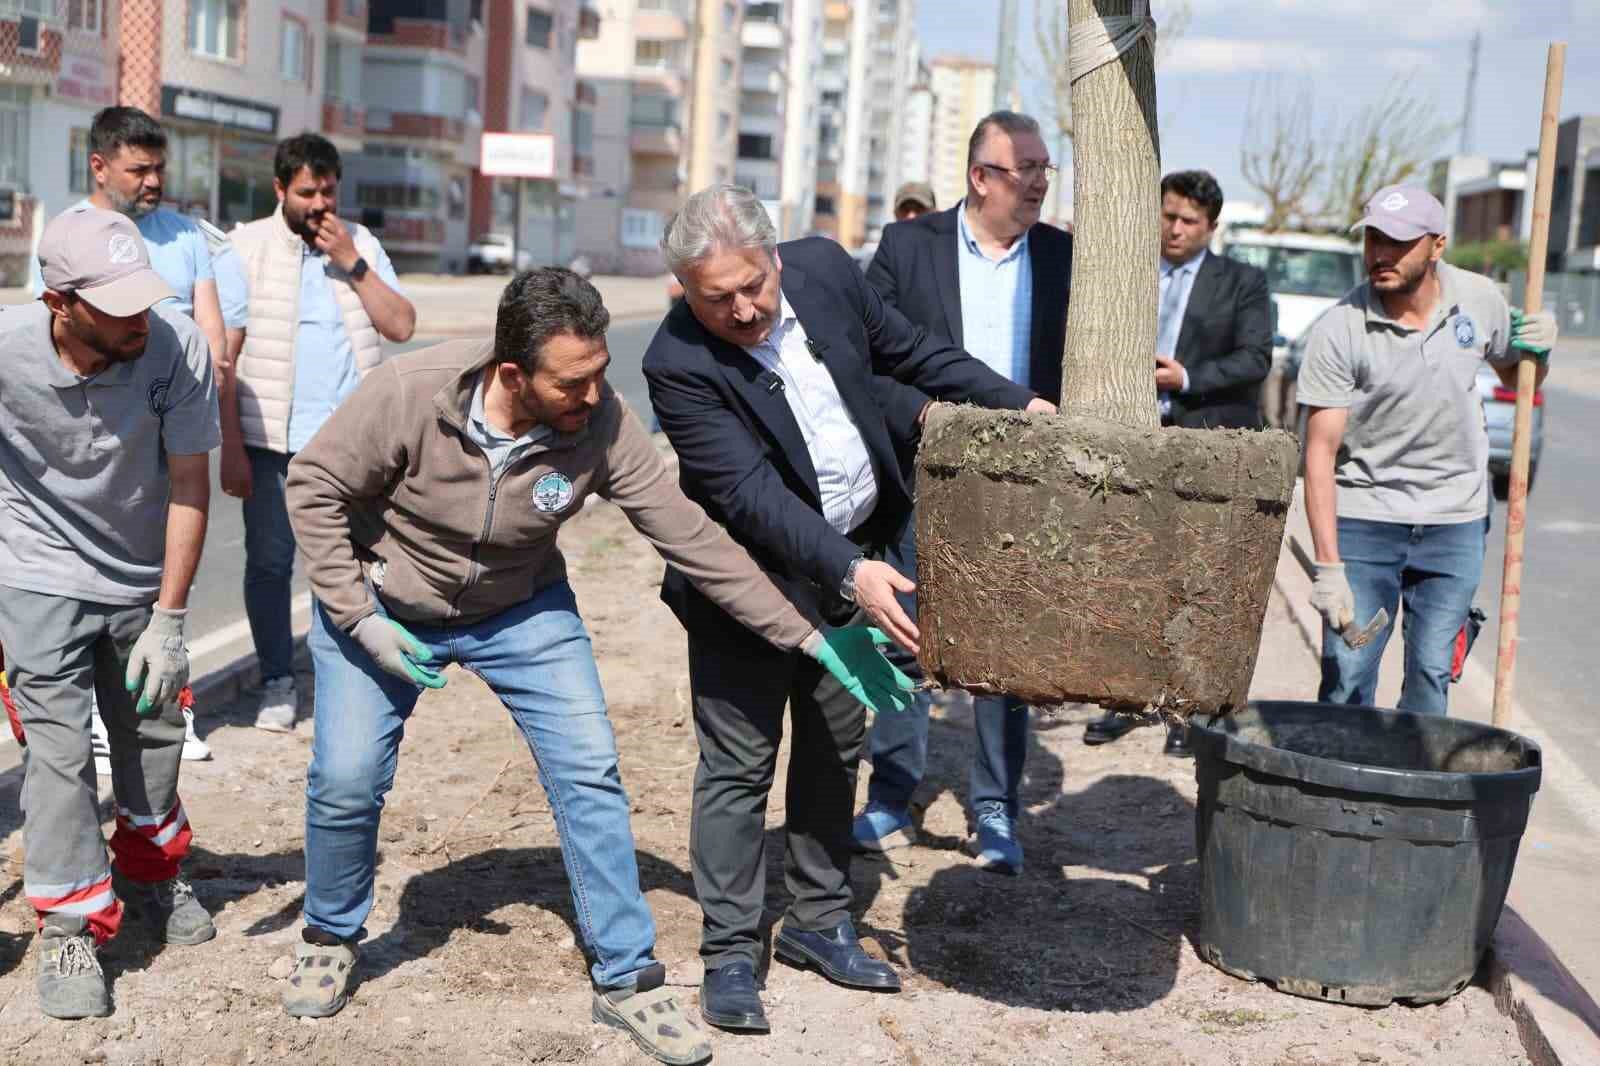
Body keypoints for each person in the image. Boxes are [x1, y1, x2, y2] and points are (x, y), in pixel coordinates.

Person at [281, 267, 911, 1064]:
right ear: (514, 374)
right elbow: (312, 486)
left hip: (520, 609)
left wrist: (811, 637)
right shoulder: (412, 393)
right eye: (572, 382)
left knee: (589, 772)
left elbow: (695, 541)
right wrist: (359, 619)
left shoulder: (600, 424)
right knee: (346, 775)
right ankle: (330, 933)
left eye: (599, 373)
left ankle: (628, 978)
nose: (593, 395)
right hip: (384, 602)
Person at [642, 184, 1054, 1035]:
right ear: (686, 290)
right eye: (715, 297)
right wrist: (852, 573)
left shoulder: (827, 271)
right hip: (748, 590)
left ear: (776, 259)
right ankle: (728, 953)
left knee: (836, 745)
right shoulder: (676, 362)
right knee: (739, 766)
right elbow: (751, 497)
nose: (743, 309)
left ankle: (820, 922)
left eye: (752, 285)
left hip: (856, 557)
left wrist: (1017, 404)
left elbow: (908, 353)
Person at [0, 208, 219, 1018]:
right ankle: (69, 921)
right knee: (57, 756)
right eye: (117, 304)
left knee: (153, 734)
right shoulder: (7, 352)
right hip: (34, 570)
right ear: (60, 302)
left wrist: (170, 617)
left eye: (144, 298)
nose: (140, 317)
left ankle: (152, 868)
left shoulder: (174, 346)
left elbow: (191, 483)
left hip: (139, 576)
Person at [856, 111, 1073, 874]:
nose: (1043, 183)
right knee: (903, 631)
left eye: (1049, 168)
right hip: (922, 471)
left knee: (1003, 649)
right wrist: (920, 413)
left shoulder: (1065, 258)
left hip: (1022, 487)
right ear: (982, 177)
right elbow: (865, 362)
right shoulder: (907, 248)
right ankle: (891, 792)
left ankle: (994, 808)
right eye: (1028, 170)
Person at [1296, 184, 1555, 715]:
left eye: (1396, 242)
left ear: (1437, 245)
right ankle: (1345, 795)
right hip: (1367, 519)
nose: (1380, 254)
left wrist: (1538, 350)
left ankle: (1412, 797)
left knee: (1431, 676)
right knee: (1347, 677)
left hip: (1454, 522)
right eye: (1372, 239)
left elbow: (1516, 369)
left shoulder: (1479, 299)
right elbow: (1319, 454)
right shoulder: (1340, 328)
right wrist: (1328, 567)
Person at [28, 106, 230, 765]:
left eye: (159, 169)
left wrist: (209, 389)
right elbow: (48, 349)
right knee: (83, 596)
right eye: (138, 168)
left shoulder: (185, 235)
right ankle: (87, 709)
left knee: (167, 579)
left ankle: (169, 706)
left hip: (170, 421)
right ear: (100, 166)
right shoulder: (69, 238)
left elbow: (209, 326)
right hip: (99, 440)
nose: (152, 181)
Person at [227, 133, 416, 734]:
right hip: (271, 444)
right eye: (306, 192)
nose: (319, 204)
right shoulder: (246, 248)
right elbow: (223, 358)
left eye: (328, 191)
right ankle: (277, 682)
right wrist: (230, 444)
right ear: (280, 189)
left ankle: (342, 683)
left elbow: (402, 324)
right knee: (269, 565)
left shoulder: (360, 244)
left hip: (350, 446)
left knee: (352, 565)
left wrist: (353, 264)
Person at [1082, 168, 1272, 756]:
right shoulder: (1126, 273)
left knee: (1198, 583)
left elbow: (1255, 358)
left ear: (1211, 227)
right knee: (1124, 575)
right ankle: (1121, 700)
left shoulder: (1241, 283)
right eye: (1168, 215)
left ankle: (1189, 712)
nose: (1175, 228)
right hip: (1130, 441)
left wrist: (1186, 378)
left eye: (1189, 220)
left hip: (1202, 446)